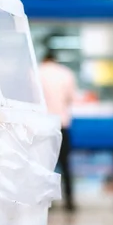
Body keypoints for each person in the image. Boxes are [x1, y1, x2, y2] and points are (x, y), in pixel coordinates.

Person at [39, 48, 77, 212]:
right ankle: (69, 203)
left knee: (44, 165)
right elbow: (71, 99)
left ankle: (47, 202)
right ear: (55, 59)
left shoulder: (35, 71)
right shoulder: (66, 73)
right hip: (61, 123)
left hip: (41, 125)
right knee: (65, 164)